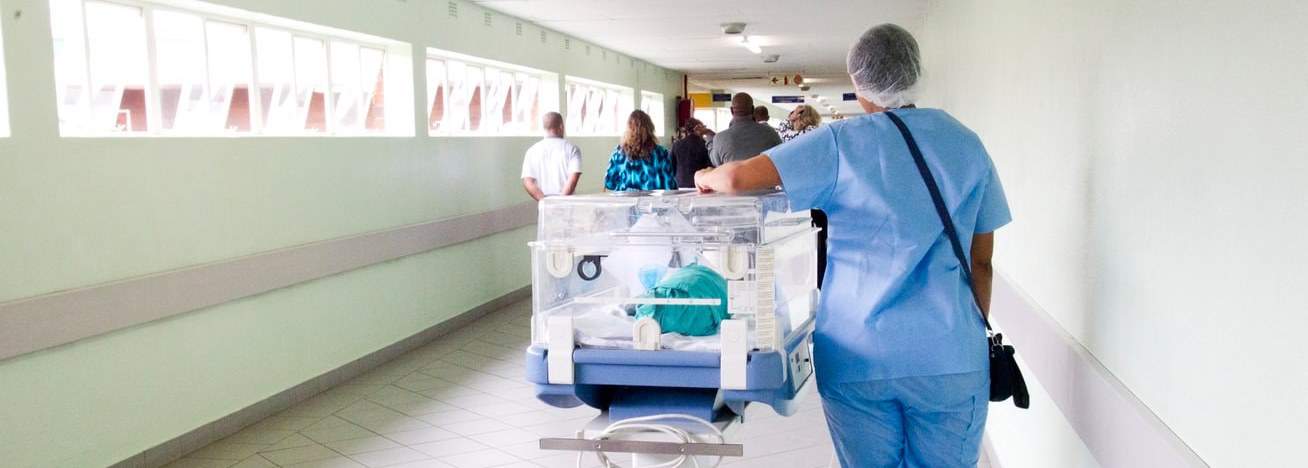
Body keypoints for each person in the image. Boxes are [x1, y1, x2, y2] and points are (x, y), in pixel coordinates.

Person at [694, 23, 1011, 468]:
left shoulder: (842, 143)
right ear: (915, 74)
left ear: (861, 87)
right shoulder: (965, 143)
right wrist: (965, 334)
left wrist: (702, 175)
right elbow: (982, 262)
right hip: (950, 352)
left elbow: (735, 178)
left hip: (857, 353)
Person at [603, 110, 677, 191]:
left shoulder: (619, 153)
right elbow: (670, 186)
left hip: (625, 202)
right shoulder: (661, 153)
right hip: (652, 202)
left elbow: (609, 182)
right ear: (650, 128)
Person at [520, 112, 581, 201]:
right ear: (561, 126)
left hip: (544, 207)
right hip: (566, 205)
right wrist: (559, 203)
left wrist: (545, 201)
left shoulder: (531, 151)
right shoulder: (572, 149)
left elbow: (528, 182)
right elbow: (573, 180)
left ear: (544, 128)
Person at [708, 93, 782, 166]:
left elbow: (716, 163)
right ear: (753, 109)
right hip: (764, 177)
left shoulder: (720, 138)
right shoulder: (770, 133)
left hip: (734, 178)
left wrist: (709, 139)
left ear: (731, 110)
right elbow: (780, 157)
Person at [670, 119, 713, 189]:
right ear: (698, 128)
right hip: (700, 185)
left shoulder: (676, 144)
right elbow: (710, 167)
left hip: (680, 184)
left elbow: (671, 166)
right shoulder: (704, 144)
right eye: (703, 127)